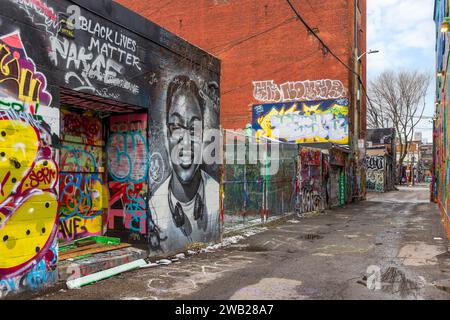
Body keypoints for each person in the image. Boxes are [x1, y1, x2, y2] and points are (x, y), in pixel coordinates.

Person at [148, 75, 220, 253]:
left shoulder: (216, 200)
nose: (186, 142)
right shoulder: (154, 208)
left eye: (194, 129)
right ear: (166, 137)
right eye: (177, 127)